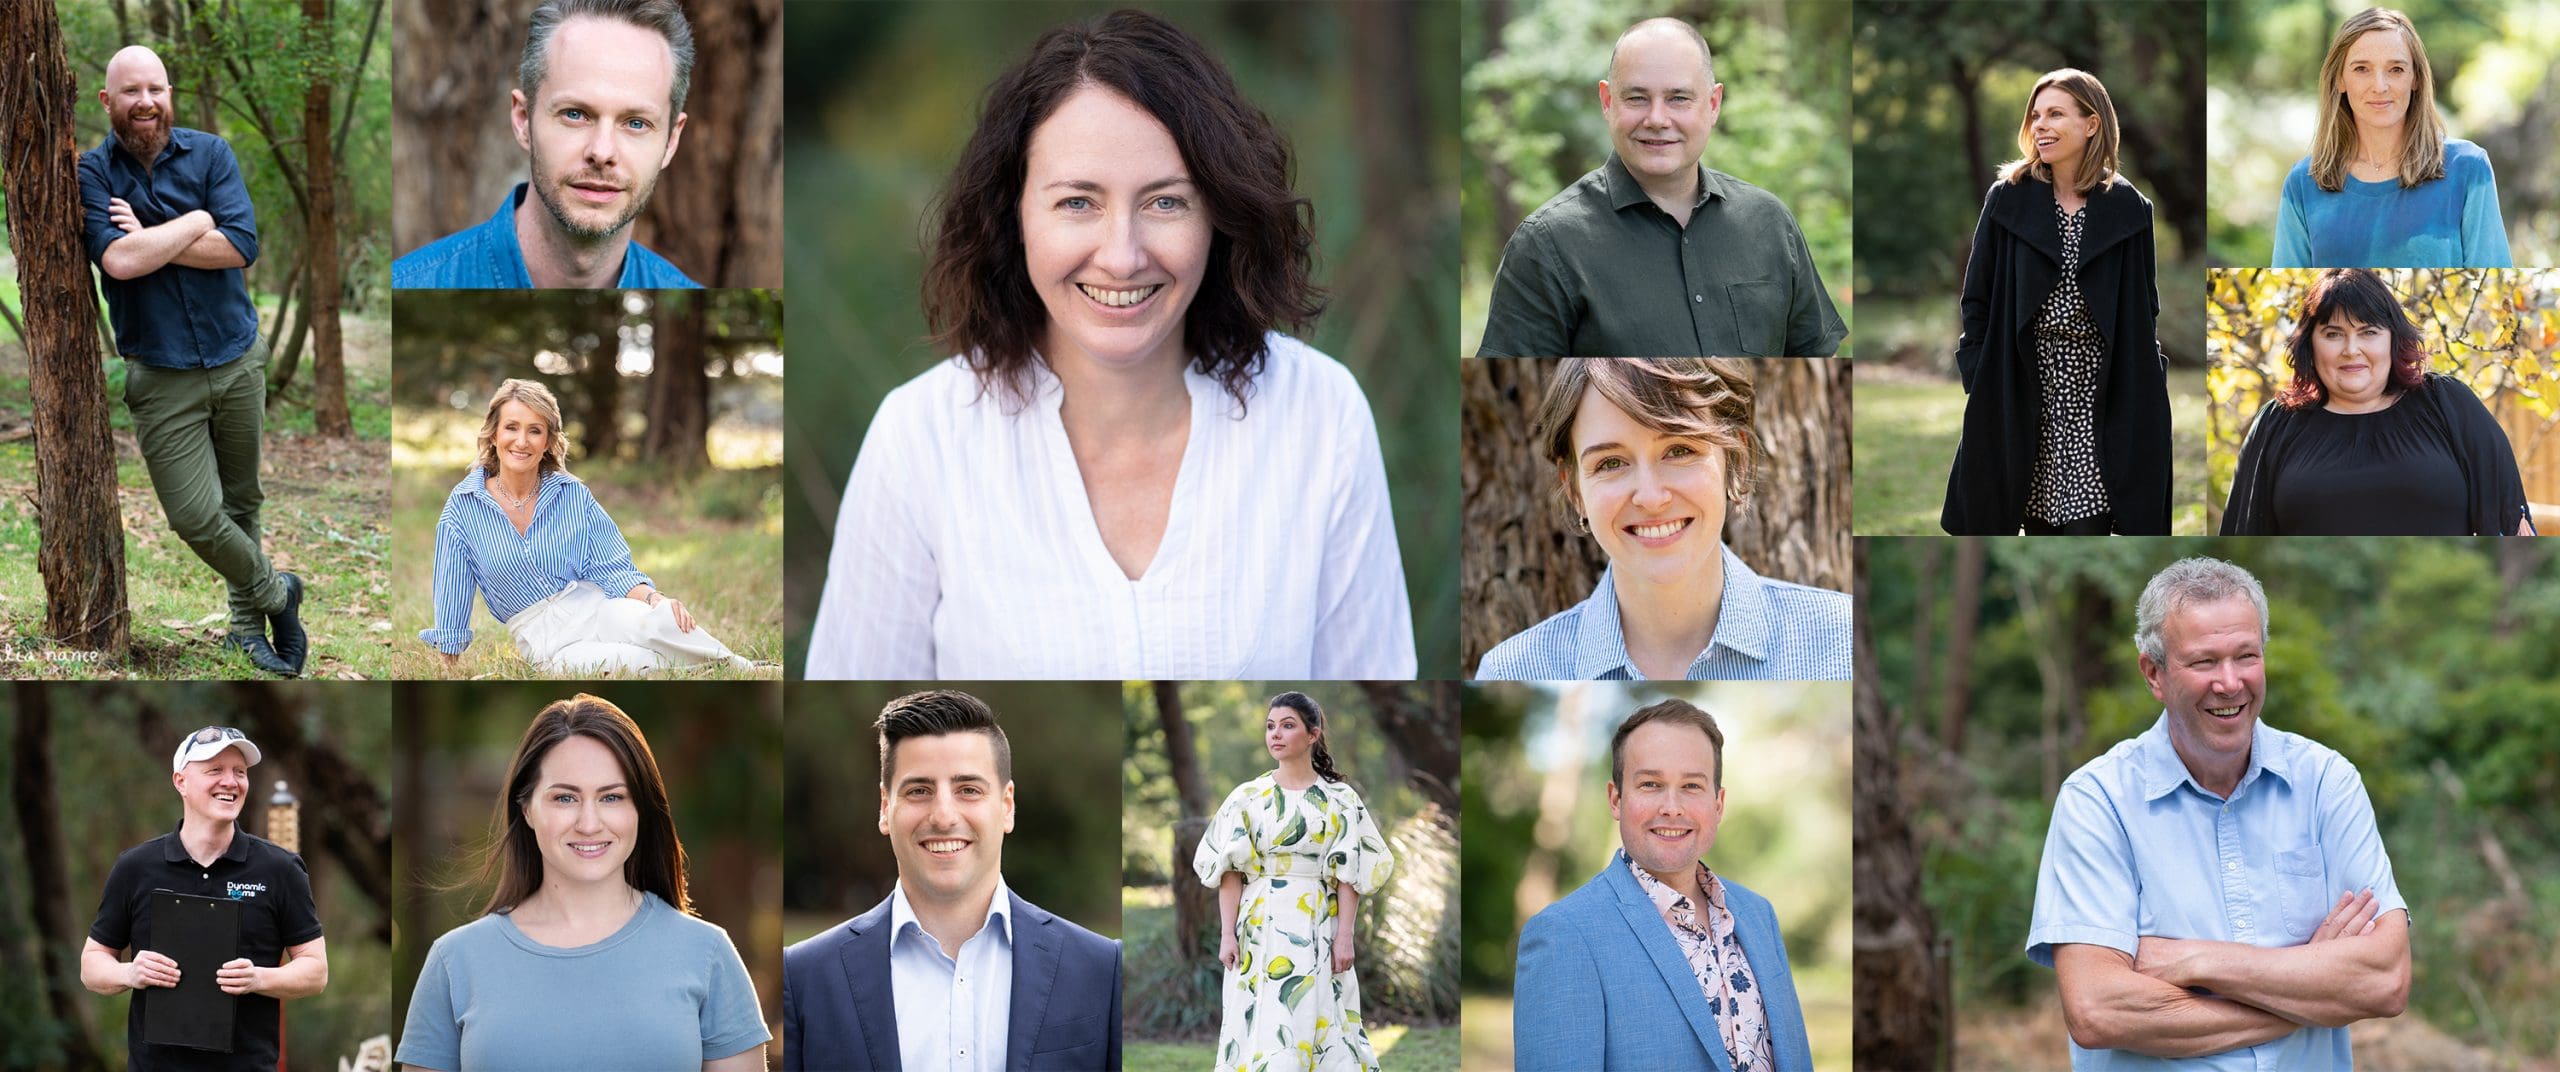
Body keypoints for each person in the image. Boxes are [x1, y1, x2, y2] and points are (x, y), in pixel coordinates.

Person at [803, 9, 1413, 679]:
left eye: (1166, 202)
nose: (1122, 257)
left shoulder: (1321, 415)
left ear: (1219, 213)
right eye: (1077, 203)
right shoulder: (918, 439)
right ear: (1015, 214)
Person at [2028, 558, 2411, 1068]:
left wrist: (2197, 961)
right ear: (2154, 674)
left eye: (2246, 656)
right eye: (2204, 662)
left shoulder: (2325, 783)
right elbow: (2098, 1010)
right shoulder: (2097, 801)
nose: (2230, 683)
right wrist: (2313, 992)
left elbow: (2384, 981)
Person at [78, 45, 308, 676]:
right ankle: (276, 594)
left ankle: (245, 630)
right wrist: (197, 221)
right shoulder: (92, 173)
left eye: (156, 88)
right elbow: (119, 262)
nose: (146, 102)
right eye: (131, 92)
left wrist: (159, 228)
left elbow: (240, 247)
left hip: (236, 356)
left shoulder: (211, 154)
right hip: (160, 372)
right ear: (108, 101)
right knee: (195, 516)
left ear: (169, 91)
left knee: (243, 500)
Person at [397, 695, 767, 1071]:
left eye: (611, 797)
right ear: (526, 808)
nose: (589, 823)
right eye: (565, 798)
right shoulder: (455, 961)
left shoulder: (707, 954)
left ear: (640, 808)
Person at [782, 690, 1122, 1071]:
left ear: (1006, 806)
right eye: (919, 791)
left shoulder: (1101, 968)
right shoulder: (803, 976)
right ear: (884, 808)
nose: (943, 816)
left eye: (969, 790)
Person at [1476, 17, 1844, 358]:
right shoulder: (1547, 244)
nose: (1656, 119)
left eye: (1678, 98)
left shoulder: (1770, 223)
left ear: (1713, 104)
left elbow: (1819, 376)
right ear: (1607, 102)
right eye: (1637, 98)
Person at [1476, 358, 1849, 680]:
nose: (1651, 498)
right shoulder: (1513, 670)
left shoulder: (1840, 642)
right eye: (1610, 463)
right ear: (1575, 491)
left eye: (1680, 449)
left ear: (1737, 459)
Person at [1515, 699, 1812, 1070]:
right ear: (1616, 799)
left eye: (1691, 786)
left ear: (1718, 804)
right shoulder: (1564, 935)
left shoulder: (1758, 914)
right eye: (1651, 784)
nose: (1672, 807)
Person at [1941, 68, 2172, 536]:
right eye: (2036, 115)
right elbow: (1977, 296)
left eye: (2056, 114)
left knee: (2087, 526)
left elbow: (2143, 309)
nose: (2041, 125)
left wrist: (2146, 388)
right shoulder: (2007, 198)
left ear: (2091, 124)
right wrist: (1978, 373)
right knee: (2025, 521)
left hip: (2100, 392)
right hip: (2019, 381)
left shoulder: (2130, 208)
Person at [422, 378, 757, 674]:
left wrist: (655, 599)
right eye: (512, 427)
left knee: (662, 621)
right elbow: (452, 587)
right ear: (493, 434)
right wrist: (447, 665)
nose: (521, 441)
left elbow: (612, 566)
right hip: (548, 641)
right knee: (638, 662)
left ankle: (748, 669)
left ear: (548, 442)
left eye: (534, 430)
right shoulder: (463, 506)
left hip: (597, 608)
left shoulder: (571, 494)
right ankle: (709, 668)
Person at [391, 0, 701, 287]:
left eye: (636, 123)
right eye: (575, 114)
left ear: (671, 141)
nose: (602, 152)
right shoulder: (409, 282)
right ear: (523, 120)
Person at [82, 726, 328, 1070]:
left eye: (239, 772)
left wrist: (260, 978)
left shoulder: (280, 869)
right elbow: (92, 963)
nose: (231, 781)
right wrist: (129, 973)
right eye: (215, 770)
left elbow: (316, 971)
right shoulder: (135, 867)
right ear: (180, 781)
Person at [2220, 269, 2531, 535]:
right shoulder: (2276, 423)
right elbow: (2242, 532)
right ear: (2310, 344)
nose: (2351, 350)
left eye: (2368, 332)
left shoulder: (2447, 403)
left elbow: (2509, 525)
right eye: (2333, 334)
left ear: (2393, 338)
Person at [1191, 692, 1394, 1072]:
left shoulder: (1339, 799)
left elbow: (1349, 873)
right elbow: (1230, 872)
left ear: (1313, 734)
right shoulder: (1248, 798)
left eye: (1287, 725)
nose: (1275, 735)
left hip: (1317, 921)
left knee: (1319, 1018)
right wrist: (1227, 934)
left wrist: (1345, 936)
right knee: (1265, 1021)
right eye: (1270, 726)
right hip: (1259, 925)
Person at [2273, 8, 2509, 269]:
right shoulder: (2303, 184)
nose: (2380, 86)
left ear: (2415, 78)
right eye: (2362, 69)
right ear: (2340, 79)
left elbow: (2494, 282)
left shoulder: (2468, 169)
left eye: (2395, 69)